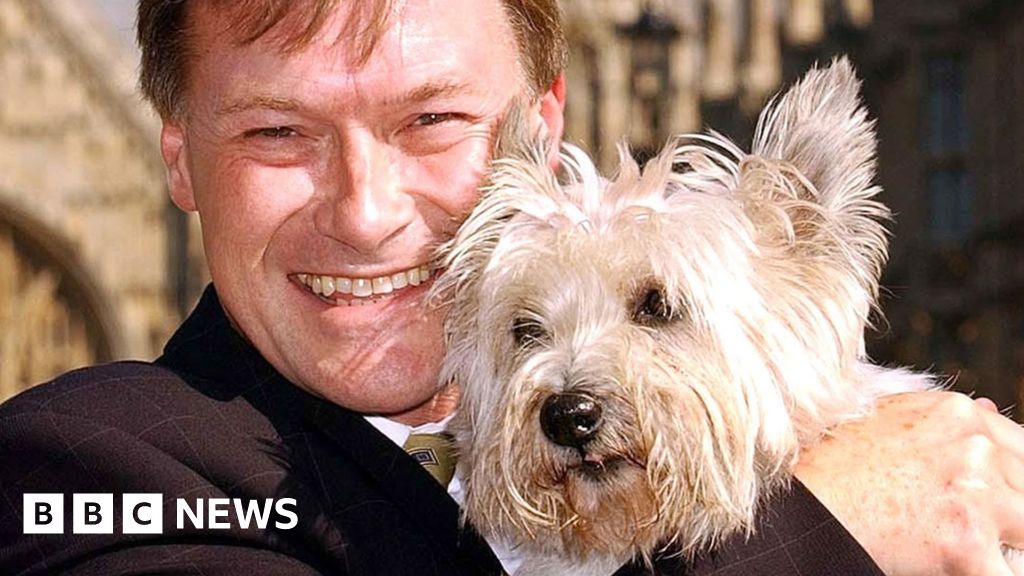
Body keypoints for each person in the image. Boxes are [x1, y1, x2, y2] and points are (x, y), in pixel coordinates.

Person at [0, 1, 1021, 574]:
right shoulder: (89, 471)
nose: (365, 212)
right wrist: (824, 527)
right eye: (277, 132)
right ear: (178, 157)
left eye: (431, 121)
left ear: (542, 129)